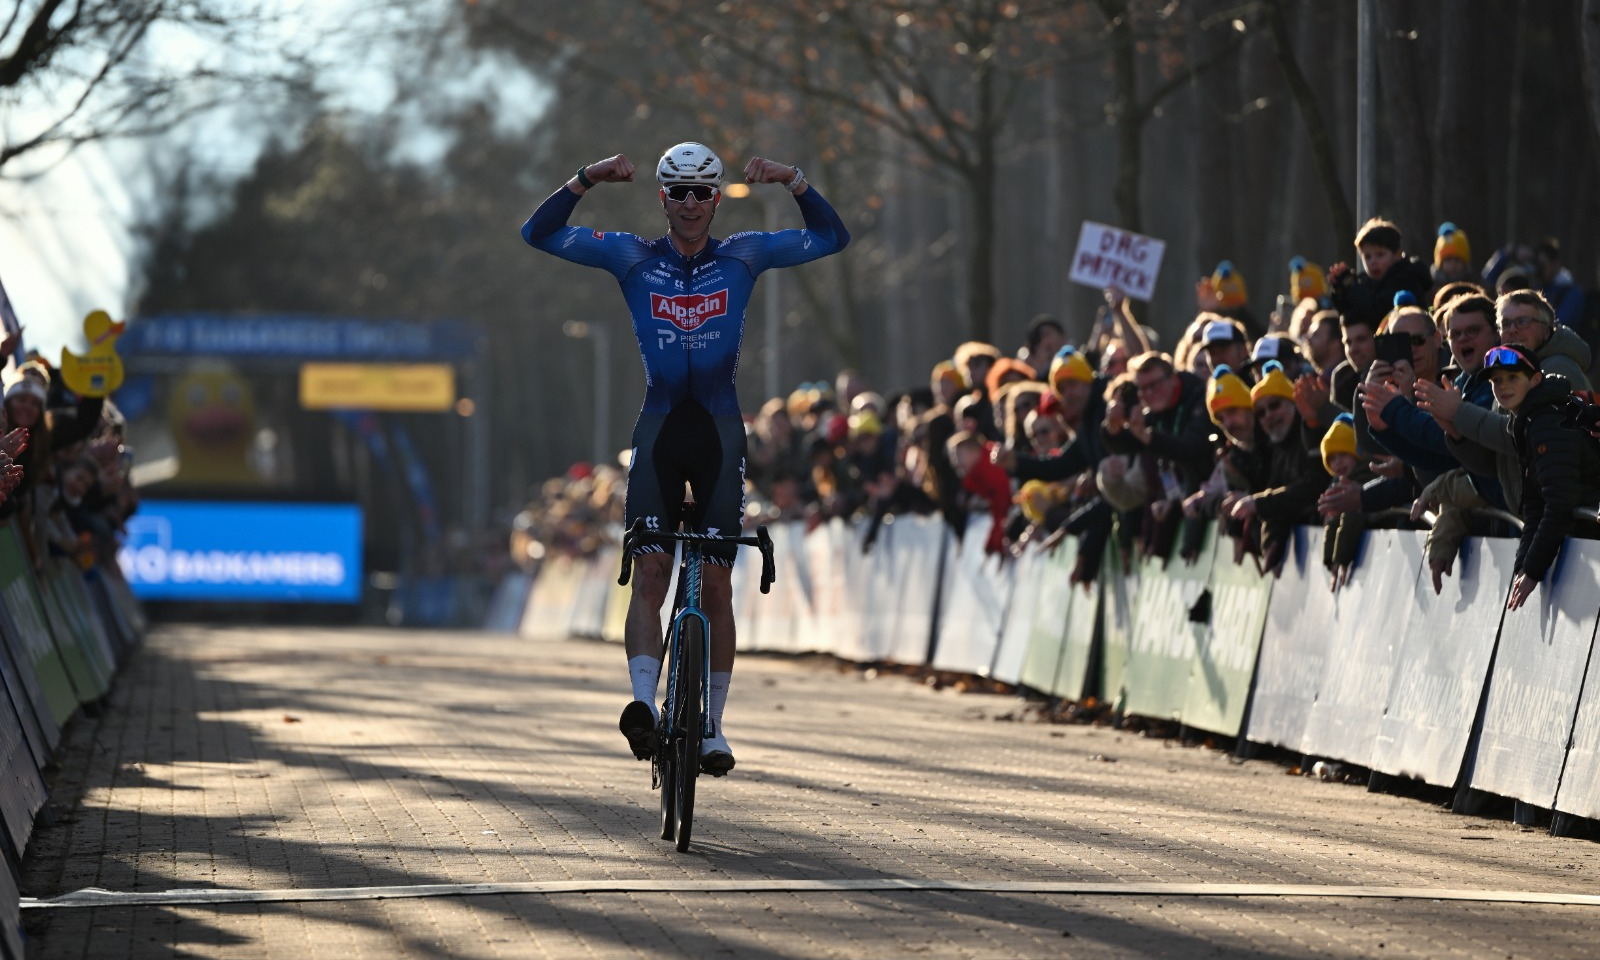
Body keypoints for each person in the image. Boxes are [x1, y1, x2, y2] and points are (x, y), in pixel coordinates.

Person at [521, 142, 849, 775]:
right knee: (650, 575)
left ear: (717, 198)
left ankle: (713, 728)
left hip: (722, 434)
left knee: (719, 588)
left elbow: (832, 238)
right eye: (680, 191)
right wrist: (586, 177)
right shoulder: (631, 256)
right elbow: (538, 233)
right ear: (663, 197)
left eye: (704, 192)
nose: (692, 203)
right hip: (660, 432)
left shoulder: (746, 253)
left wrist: (794, 180)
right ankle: (643, 706)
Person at [1478, 346, 1600, 610]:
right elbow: (1535, 504)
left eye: (1513, 377)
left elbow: (1560, 504)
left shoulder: (1546, 420)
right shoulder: (1531, 419)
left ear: (1535, 380)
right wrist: (1523, 565)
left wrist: (1533, 570)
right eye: (1496, 380)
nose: (1503, 386)